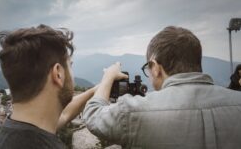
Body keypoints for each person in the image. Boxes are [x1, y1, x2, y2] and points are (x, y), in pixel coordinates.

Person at [83, 26, 241, 149]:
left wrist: (108, 77)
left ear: (155, 67)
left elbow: (92, 116)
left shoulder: (134, 111)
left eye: (148, 68)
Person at [0, 24, 96, 149]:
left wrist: (96, 90)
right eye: (70, 65)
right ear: (58, 73)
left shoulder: (13, 130)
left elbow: (65, 115)